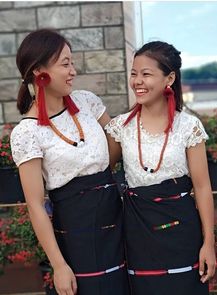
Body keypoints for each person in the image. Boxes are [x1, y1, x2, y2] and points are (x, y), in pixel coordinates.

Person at [10, 28, 129, 295]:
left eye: (72, 62)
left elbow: (117, 145)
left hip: (116, 217)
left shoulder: (87, 102)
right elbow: (36, 205)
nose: (73, 70)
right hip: (75, 231)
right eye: (65, 64)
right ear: (39, 71)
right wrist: (59, 265)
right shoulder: (27, 133)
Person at [105, 41, 216, 295]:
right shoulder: (120, 127)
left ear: (170, 78)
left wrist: (208, 243)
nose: (137, 81)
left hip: (182, 231)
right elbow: (104, 175)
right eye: (134, 73)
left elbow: (202, 186)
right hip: (137, 233)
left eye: (146, 74)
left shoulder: (189, 127)